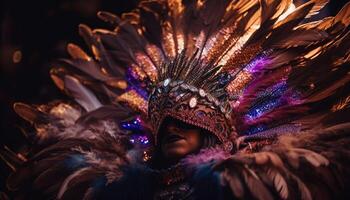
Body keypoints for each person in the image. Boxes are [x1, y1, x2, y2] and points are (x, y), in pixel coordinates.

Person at [1, 0, 350, 199]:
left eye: (187, 115)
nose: (172, 129)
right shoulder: (118, 186)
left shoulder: (244, 187)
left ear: (218, 130)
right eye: (164, 122)